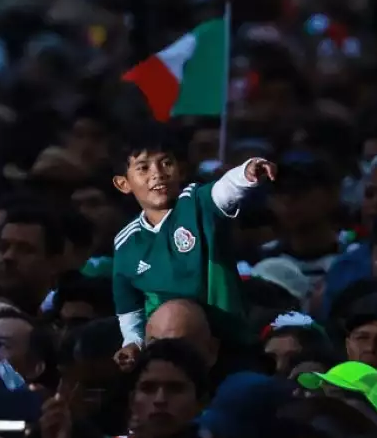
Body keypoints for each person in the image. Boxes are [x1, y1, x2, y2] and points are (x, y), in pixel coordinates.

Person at [111, 125, 276, 370]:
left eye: (166, 163)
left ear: (182, 170)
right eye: (143, 168)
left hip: (231, 349)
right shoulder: (125, 244)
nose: (157, 174)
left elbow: (224, 190)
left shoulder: (197, 202)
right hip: (166, 362)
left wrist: (246, 171)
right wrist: (133, 342)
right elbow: (130, 311)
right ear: (124, 184)